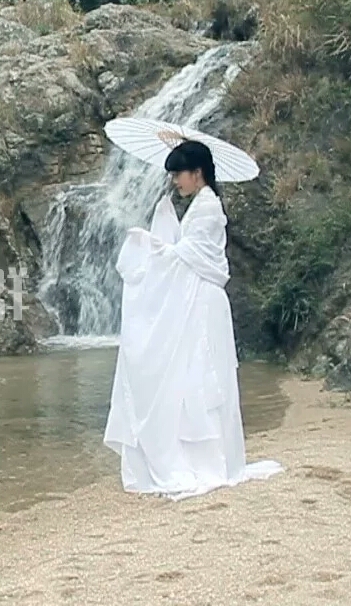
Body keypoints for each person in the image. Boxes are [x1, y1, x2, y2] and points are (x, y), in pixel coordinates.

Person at [103, 139, 283, 500]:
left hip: (202, 301)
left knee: (201, 373)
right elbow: (186, 254)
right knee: (195, 373)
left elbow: (186, 257)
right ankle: (205, 455)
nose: (175, 181)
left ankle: (207, 460)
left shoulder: (208, 209)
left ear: (197, 172)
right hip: (198, 298)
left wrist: (151, 246)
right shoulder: (203, 205)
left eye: (178, 174)